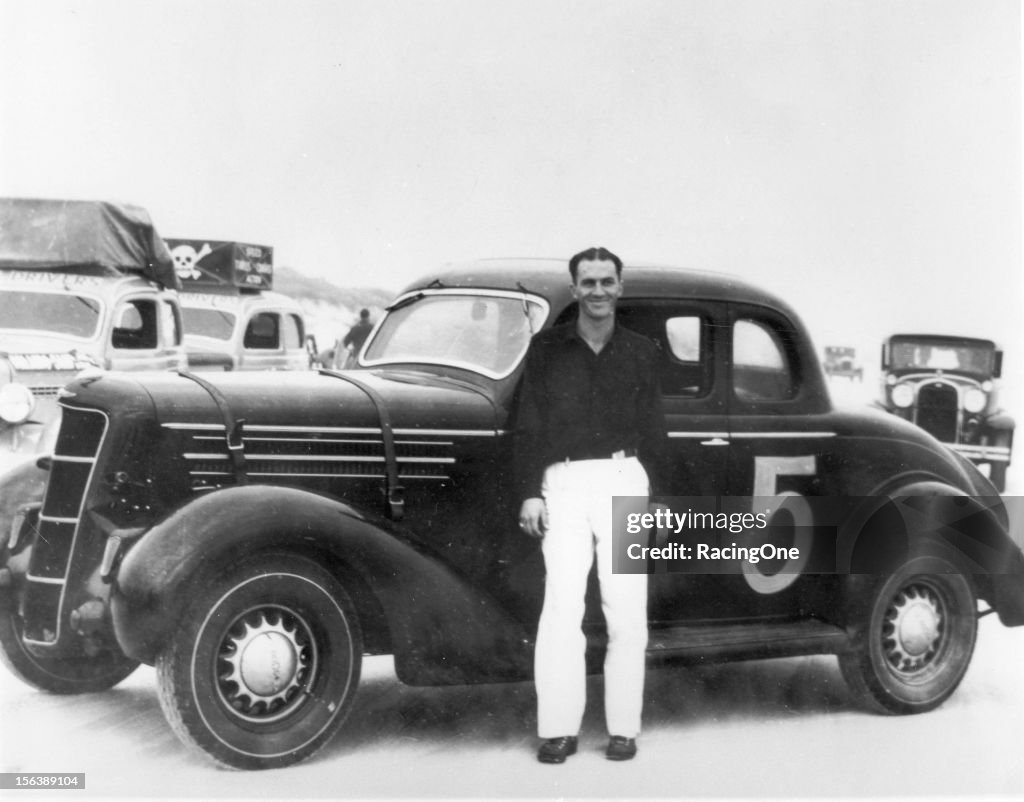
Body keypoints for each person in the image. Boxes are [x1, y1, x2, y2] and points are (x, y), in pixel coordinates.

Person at [512, 246, 666, 764]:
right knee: (561, 608)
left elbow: (656, 432)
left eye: (607, 281)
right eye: (588, 282)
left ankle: (624, 729)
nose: (598, 291)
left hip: (624, 479)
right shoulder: (547, 348)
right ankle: (558, 729)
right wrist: (531, 490)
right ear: (574, 288)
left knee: (626, 611)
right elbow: (528, 421)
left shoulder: (643, 351)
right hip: (566, 482)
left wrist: (660, 500)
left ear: (620, 287)